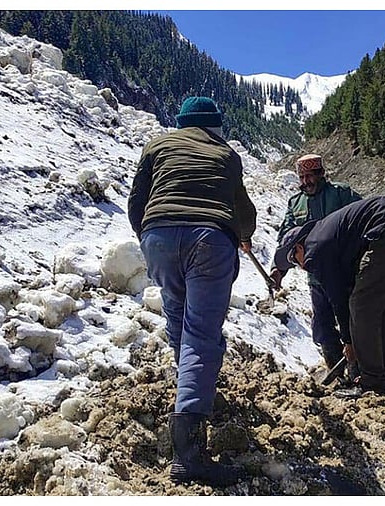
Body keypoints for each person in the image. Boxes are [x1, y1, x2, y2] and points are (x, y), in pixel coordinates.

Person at [128, 96, 255, 486]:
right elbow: (244, 212)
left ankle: (189, 391)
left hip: (158, 235)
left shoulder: (157, 145)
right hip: (209, 239)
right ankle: (189, 454)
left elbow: (137, 201)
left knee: (177, 319)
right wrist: (243, 237)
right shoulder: (226, 154)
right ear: (215, 124)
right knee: (201, 334)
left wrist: (151, 237)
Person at [273, 196, 385, 396]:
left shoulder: (315, 248)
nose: (302, 267)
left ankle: (372, 383)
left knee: (362, 306)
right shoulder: (329, 235)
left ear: (298, 247)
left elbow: (340, 300)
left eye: (295, 261)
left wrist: (349, 342)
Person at [269, 154, 361, 375]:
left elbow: (361, 220)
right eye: (301, 177)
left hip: (345, 273)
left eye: (310, 176)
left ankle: (360, 370)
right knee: (322, 325)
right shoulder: (296, 203)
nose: (305, 182)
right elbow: (287, 239)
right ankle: (337, 371)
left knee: (353, 322)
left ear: (321, 174)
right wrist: (278, 268)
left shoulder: (341, 194)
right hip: (316, 277)